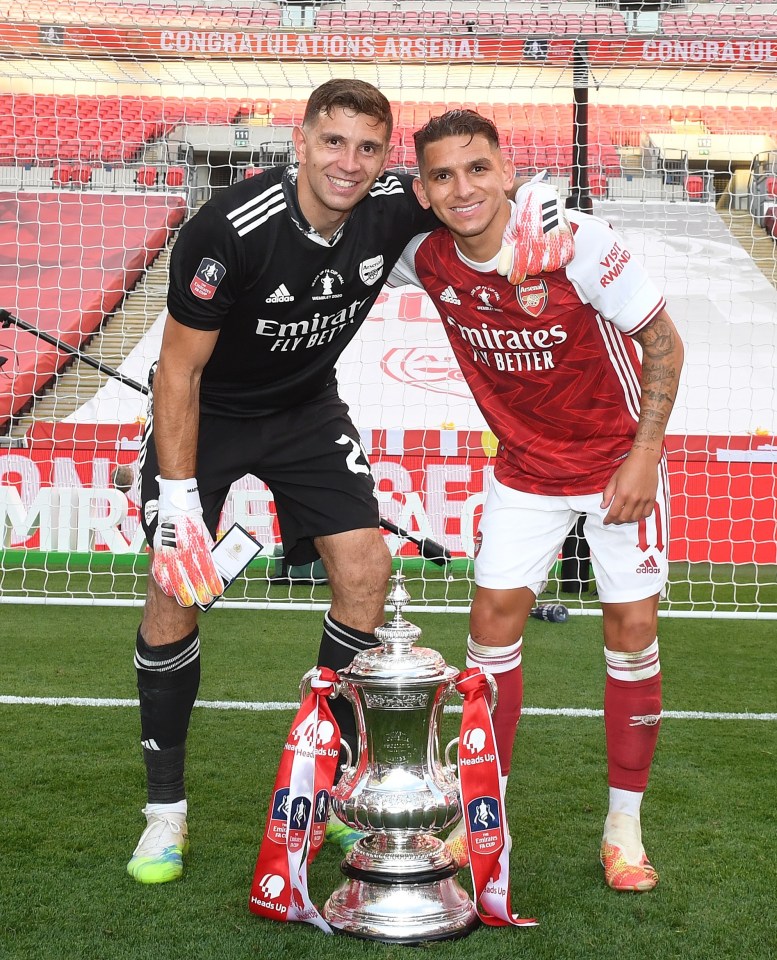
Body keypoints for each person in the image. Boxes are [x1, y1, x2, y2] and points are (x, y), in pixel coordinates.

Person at [127, 80, 573, 884]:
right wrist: (181, 505)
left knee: (367, 573)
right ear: (300, 142)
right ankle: (165, 814)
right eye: (333, 143)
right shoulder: (225, 229)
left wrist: (542, 198)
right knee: (175, 591)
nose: (349, 163)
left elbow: (477, 192)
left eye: (368, 148)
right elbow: (179, 374)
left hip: (305, 410)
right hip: (210, 413)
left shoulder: (395, 202)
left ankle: (326, 787)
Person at [388, 109, 684, 893]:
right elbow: (345, 218)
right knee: (487, 634)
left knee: (630, 636)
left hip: (617, 467)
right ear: (423, 190)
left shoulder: (576, 242)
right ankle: (482, 816)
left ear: (508, 171)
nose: (463, 188)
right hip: (523, 472)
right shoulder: (421, 255)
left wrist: (645, 455)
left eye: (477, 168)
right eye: (443, 176)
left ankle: (622, 826)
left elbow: (663, 342)